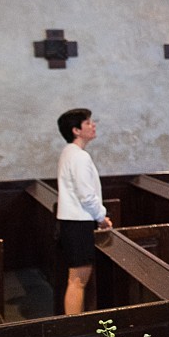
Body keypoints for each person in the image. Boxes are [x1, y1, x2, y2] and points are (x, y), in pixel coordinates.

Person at [56, 108, 112, 315]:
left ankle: (75, 326)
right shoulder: (79, 157)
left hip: (71, 222)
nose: (93, 125)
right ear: (76, 130)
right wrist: (101, 217)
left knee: (75, 280)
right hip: (78, 223)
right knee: (78, 281)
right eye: (88, 123)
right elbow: (86, 195)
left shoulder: (68, 152)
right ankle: (74, 328)